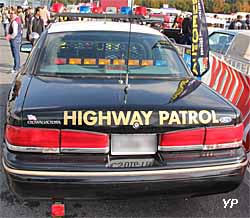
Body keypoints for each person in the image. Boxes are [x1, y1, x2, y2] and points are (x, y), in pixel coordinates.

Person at [5, 9, 22, 73]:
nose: (11, 14)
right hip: (17, 39)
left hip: (14, 39)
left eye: (12, 13)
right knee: (16, 53)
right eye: (10, 13)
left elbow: (15, 33)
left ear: (15, 14)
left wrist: (9, 37)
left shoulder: (15, 21)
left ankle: (16, 68)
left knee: (15, 54)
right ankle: (17, 66)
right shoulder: (17, 20)